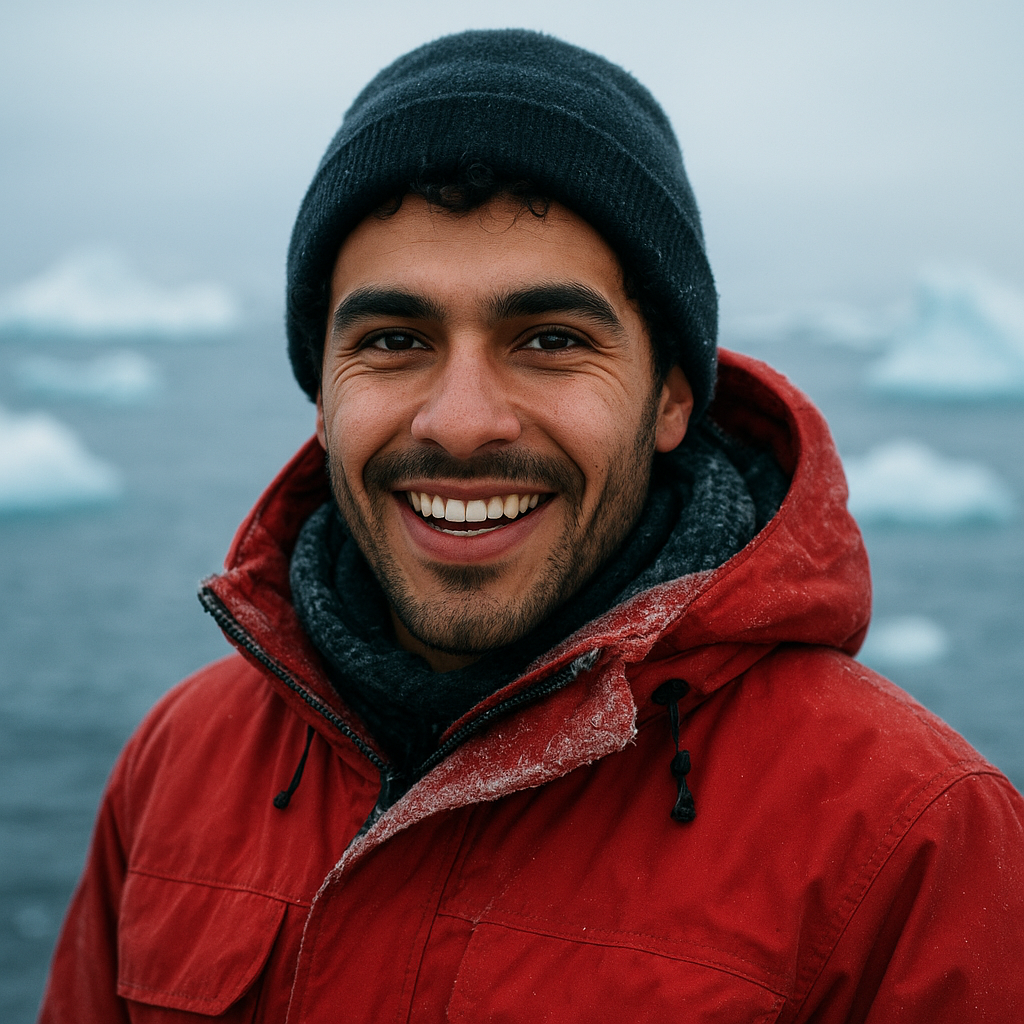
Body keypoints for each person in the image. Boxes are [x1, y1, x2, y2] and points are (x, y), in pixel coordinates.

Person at [39, 29, 1024, 1023]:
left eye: (550, 339)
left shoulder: (913, 838)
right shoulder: (179, 763)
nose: (461, 421)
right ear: (323, 399)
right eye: (394, 339)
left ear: (671, 397)